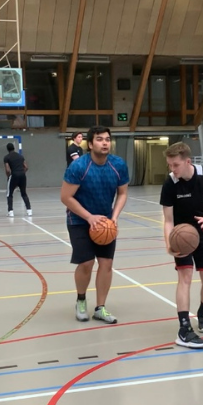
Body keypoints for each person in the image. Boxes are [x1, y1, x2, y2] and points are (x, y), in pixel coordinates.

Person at [61, 125, 129, 324]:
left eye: (107, 139)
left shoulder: (118, 165)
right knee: (86, 263)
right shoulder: (78, 167)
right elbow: (66, 197)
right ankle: (81, 300)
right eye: (99, 139)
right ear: (90, 144)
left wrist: (114, 217)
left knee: (106, 263)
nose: (105, 143)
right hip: (79, 220)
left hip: (105, 221)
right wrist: (89, 217)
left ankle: (100, 308)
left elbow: (122, 193)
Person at [160, 142, 203, 349]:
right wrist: (169, 243)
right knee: (185, 277)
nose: (172, 169)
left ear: (187, 161)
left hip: (202, 233)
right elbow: (168, 220)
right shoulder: (170, 183)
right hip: (181, 236)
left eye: (175, 165)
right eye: (169, 165)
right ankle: (184, 328)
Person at [3, 142, 32, 217]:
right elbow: (26, 167)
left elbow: (8, 170)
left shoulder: (7, 157)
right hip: (22, 175)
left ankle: (10, 211)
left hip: (14, 175)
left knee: (9, 194)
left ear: (7, 149)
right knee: (24, 193)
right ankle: (29, 210)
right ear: (14, 148)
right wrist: (22, 172)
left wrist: (9, 177)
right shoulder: (20, 156)